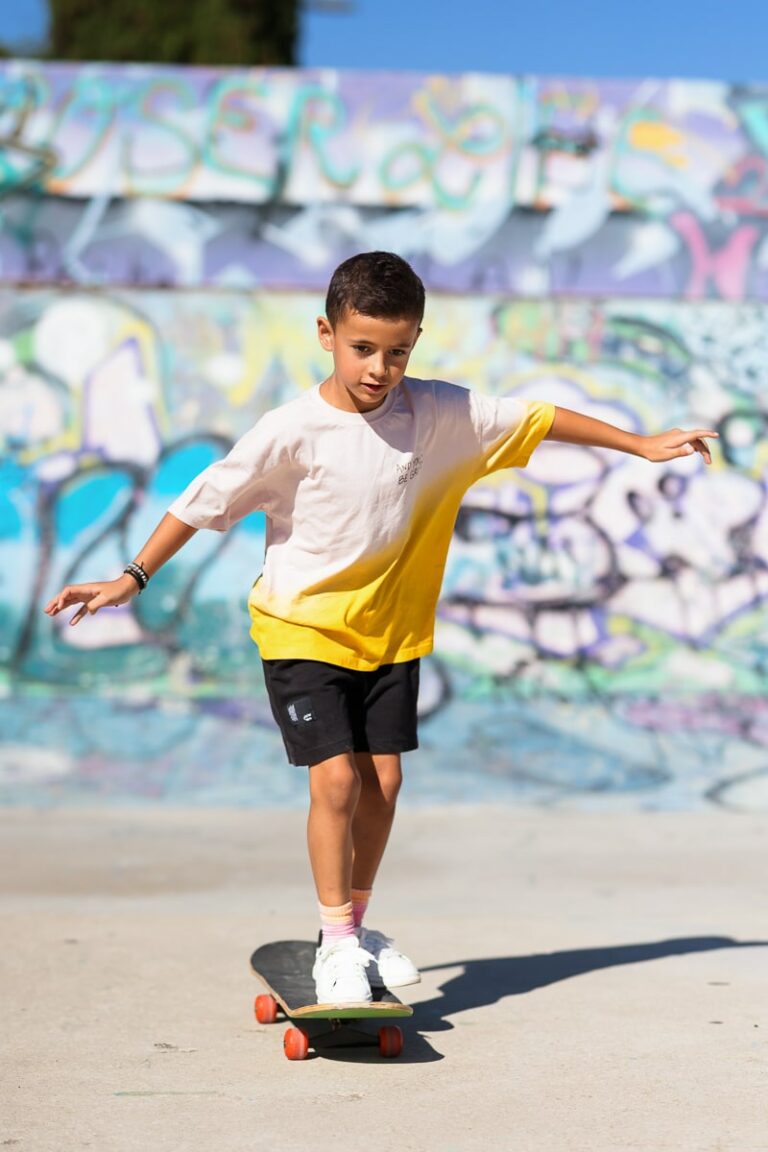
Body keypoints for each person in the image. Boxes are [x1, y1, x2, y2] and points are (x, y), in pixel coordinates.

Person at [44, 251, 717, 1004]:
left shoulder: (438, 413)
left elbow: (538, 416)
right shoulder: (290, 430)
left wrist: (640, 444)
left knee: (384, 784)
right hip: (301, 629)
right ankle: (335, 945)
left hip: (391, 634)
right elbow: (201, 502)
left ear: (416, 342)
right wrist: (130, 578)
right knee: (335, 781)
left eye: (398, 351)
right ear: (327, 333)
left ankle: (356, 928)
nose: (379, 368)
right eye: (363, 348)